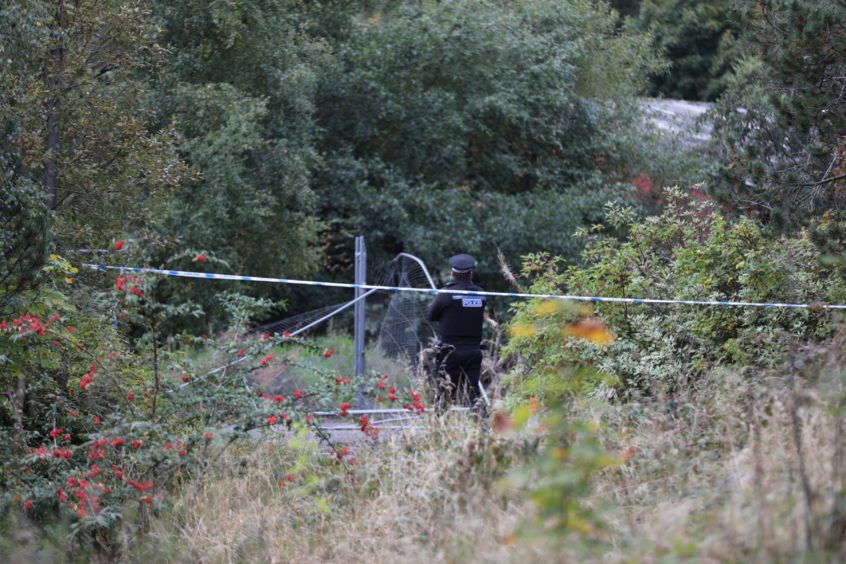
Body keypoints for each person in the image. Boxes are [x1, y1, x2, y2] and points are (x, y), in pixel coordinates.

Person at [426, 253, 486, 413]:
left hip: (450, 352)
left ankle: (438, 428)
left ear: (453, 273)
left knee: (444, 394)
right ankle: (484, 428)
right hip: (474, 351)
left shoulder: (446, 294)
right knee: (474, 394)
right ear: (471, 273)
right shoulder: (480, 293)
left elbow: (431, 315)